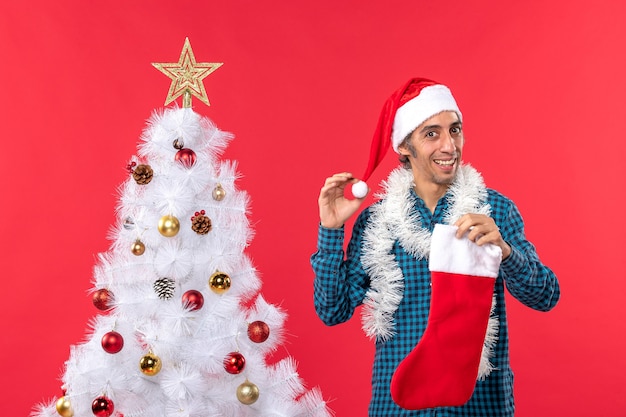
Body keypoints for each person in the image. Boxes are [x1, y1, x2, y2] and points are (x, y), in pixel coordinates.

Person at [310, 78, 560, 416]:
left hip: (480, 406)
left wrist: (505, 251)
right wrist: (331, 229)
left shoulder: (495, 210)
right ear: (403, 146)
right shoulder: (378, 221)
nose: (449, 145)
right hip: (396, 406)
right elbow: (332, 310)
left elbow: (545, 296)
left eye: (454, 130)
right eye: (432, 134)